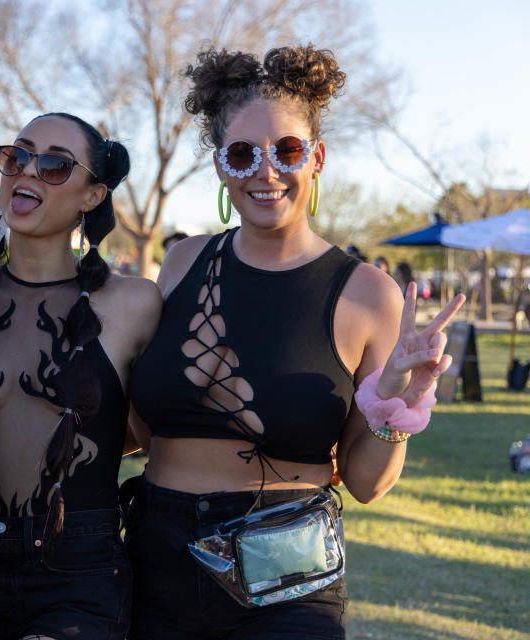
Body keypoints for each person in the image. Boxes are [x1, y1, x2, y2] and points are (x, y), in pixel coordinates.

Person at [124, 44, 465, 639]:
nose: (266, 170)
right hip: (155, 564)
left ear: (317, 158)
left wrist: (393, 404)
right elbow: (137, 428)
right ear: (221, 166)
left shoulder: (368, 296)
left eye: (286, 149)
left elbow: (366, 483)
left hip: (286, 580)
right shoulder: (181, 261)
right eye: (241, 153)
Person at [0, 114, 161, 639]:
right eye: (18, 156)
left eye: (54, 165)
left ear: (92, 196)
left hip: (78, 568)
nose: (27, 172)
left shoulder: (133, 304)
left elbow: (154, 430)